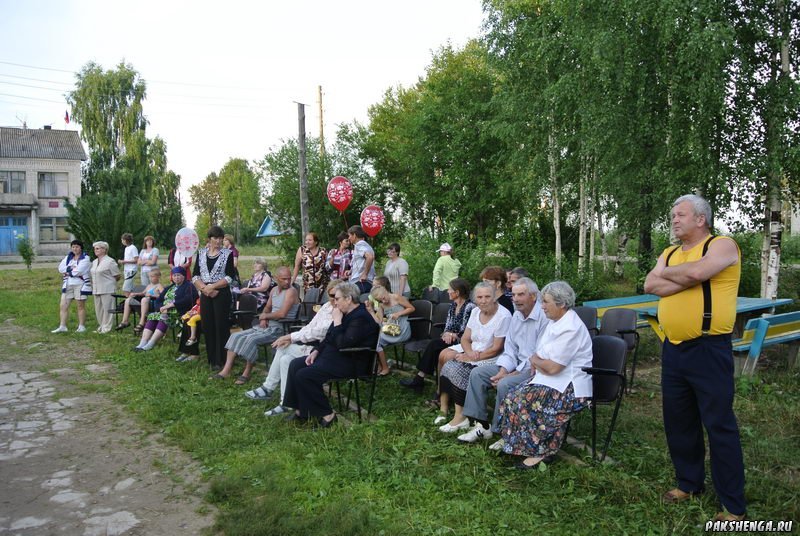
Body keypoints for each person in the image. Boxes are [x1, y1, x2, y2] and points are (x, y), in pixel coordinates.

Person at [643, 194, 746, 522]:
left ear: (701, 219)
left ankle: (733, 506)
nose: (673, 220)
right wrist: (686, 274)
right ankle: (689, 483)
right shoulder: (670, 251)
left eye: (680, 215)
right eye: (672, 215)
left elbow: (692, 274)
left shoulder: (722, 245)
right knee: (679, 421)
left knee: (718, 424)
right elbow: (649, 283)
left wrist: (673, 274)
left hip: (708, 349)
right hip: (673, 349)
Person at [496, 280, 593, 469]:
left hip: (571, 386)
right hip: (550, 380)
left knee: (521, 398)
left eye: (546, 302)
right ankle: (523, 446)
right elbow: (540, 355)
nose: (542, 306)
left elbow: (553, 367)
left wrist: (536, 361)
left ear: (561, 304)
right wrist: (537, 361)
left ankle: (539, 452)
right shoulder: (554, 322)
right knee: (511, 396)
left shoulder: (570, 327)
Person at [458, 277, 548, 444]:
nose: (516, 299)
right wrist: (503, 370)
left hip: (535, 368)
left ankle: (504, 433)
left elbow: (540, 354)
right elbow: (510, 349)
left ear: (534, 296)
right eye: (514, 295)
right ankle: (482, 425)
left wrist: (513, 373)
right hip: (515, 364)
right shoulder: (517, 315)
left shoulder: (544, 317)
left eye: (521, 294)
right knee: (478, 373)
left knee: (505, 384)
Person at [282, 282, 379, 428]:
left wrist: (337, 321)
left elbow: (343, 344)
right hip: (335, 356)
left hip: (352, 361)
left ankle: (328, 414)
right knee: (295, 365)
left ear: (348, 298)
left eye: (337, 298)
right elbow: (328, 337)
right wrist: (316, 351)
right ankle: (301, 410)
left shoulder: (361, 317)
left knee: (305, 375)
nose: (334, 301)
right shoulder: (344, 312)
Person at [245, 280, 340, 416]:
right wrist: (292, 337)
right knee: (285, 359)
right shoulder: (326, 306)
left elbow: (320, 331)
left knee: (283, 348)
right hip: (312, 346)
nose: (334, 300)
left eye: (336, 296)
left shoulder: (340, 312)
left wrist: (290, 337)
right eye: (330, 296)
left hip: (321, 350)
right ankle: (285, 402)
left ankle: (268, 388)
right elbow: (310, 327)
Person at [436, 281, 512, 431]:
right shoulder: (476, 311)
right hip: (474, 353)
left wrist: (471, 358)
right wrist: (469, 353)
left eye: (487, 296)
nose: (483, 301)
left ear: (494, 297)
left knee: (459, 370)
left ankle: (460, 417)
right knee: (448, 365)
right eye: (480, 297)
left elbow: (497, 348)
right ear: (475, 299)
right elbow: (465, 338)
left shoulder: (503, 316)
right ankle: (443, 408)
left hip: (491, 358)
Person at [213, 266, 299, 384]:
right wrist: (264, 316)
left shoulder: (291, 291)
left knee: (250, 340)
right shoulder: (274, 291)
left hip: (281, 329)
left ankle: (247, 373)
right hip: (266, 326)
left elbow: (282, 313)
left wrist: (265, 316)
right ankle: (226, 370)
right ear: (276, 278)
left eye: (289, 279)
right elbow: (268, 307)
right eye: (284, 279)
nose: (287, 281)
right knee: (235, 336)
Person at [399, 278, 475, 392]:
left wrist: (453, 335)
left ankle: (419, 379)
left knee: (434, 345)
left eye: (450, 289)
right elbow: (447, 326)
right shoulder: (453, 306)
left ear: (457, 292)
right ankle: (420, 379)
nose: (448, 291)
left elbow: (467, 330)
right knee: (434, 345)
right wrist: (446, 334)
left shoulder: (470, 307)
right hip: (450, 339)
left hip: (463, 342)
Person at [192, 225, 237, 369]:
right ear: (209, 239)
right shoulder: (201, 253)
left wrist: (213, 286)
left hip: (221, 293)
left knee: (221, 325)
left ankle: (221, 360)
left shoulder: (227, 254)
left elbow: (230, 277)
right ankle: (211, 359)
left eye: (220, 238)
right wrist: (204, 288)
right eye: (215, 238)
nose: (218, 241)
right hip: (205, 293)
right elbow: (195, 275)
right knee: (208, 325)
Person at [133, 267, 198, 352]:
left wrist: (171, 305)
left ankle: (150, 344)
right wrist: (160, 308)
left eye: (178, 275)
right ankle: (142, 343)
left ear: (184, 276)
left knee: (164, 318)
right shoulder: (170, 287)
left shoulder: (189, 286)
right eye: (174, 275)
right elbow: (159, 299)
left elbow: (189, 299)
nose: (176, 277)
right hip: (165, 311)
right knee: (152, 316)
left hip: (179, 312)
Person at [368, 285, 415, 376]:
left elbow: (412, 308)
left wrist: (399, 313)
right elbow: (379, 322)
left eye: (383, 298)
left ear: (385, 291)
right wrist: (371, 311)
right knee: (373, 340)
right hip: (391, 330)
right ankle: (381, 366)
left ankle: (384, 368)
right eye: (380, 300)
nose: (383, 301)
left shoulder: (396, 297)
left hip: (402, 329)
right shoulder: (382, 305)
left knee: (376, 340)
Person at [52, 240, 92, 333]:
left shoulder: (85, 258)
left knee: (80, 306)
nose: (75, 249)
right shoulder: (68, 258)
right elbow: (61, 268)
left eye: (77, 247)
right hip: (68, 283)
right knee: (63, 305)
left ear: (81, 248)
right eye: (73, 247)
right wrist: (70, 269)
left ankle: (81, 326)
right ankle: (62, 326)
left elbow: (79, 271)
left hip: (80, 284)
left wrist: (68, 272)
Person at [90, 241, 121, 334]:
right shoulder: (94, 262)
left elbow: (117, 275)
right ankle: (101, 326)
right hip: (96, 288)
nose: (96, 250)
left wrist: (110, 282)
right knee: (98, 309)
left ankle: (106, 328)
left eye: (98, 248)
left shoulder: (110, 261)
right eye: (95, 248)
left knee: (107, 309)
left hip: (107, 288)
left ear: (104, 250)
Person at [347, 225, 375, 294]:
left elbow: (370, 257)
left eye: (350, 235)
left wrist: (365, 274)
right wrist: (351, 271)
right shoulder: (366, 245)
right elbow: (362, 261)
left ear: (354, 235)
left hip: (361, 282)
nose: (349, 238)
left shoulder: (359, 244)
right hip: (364, 282)